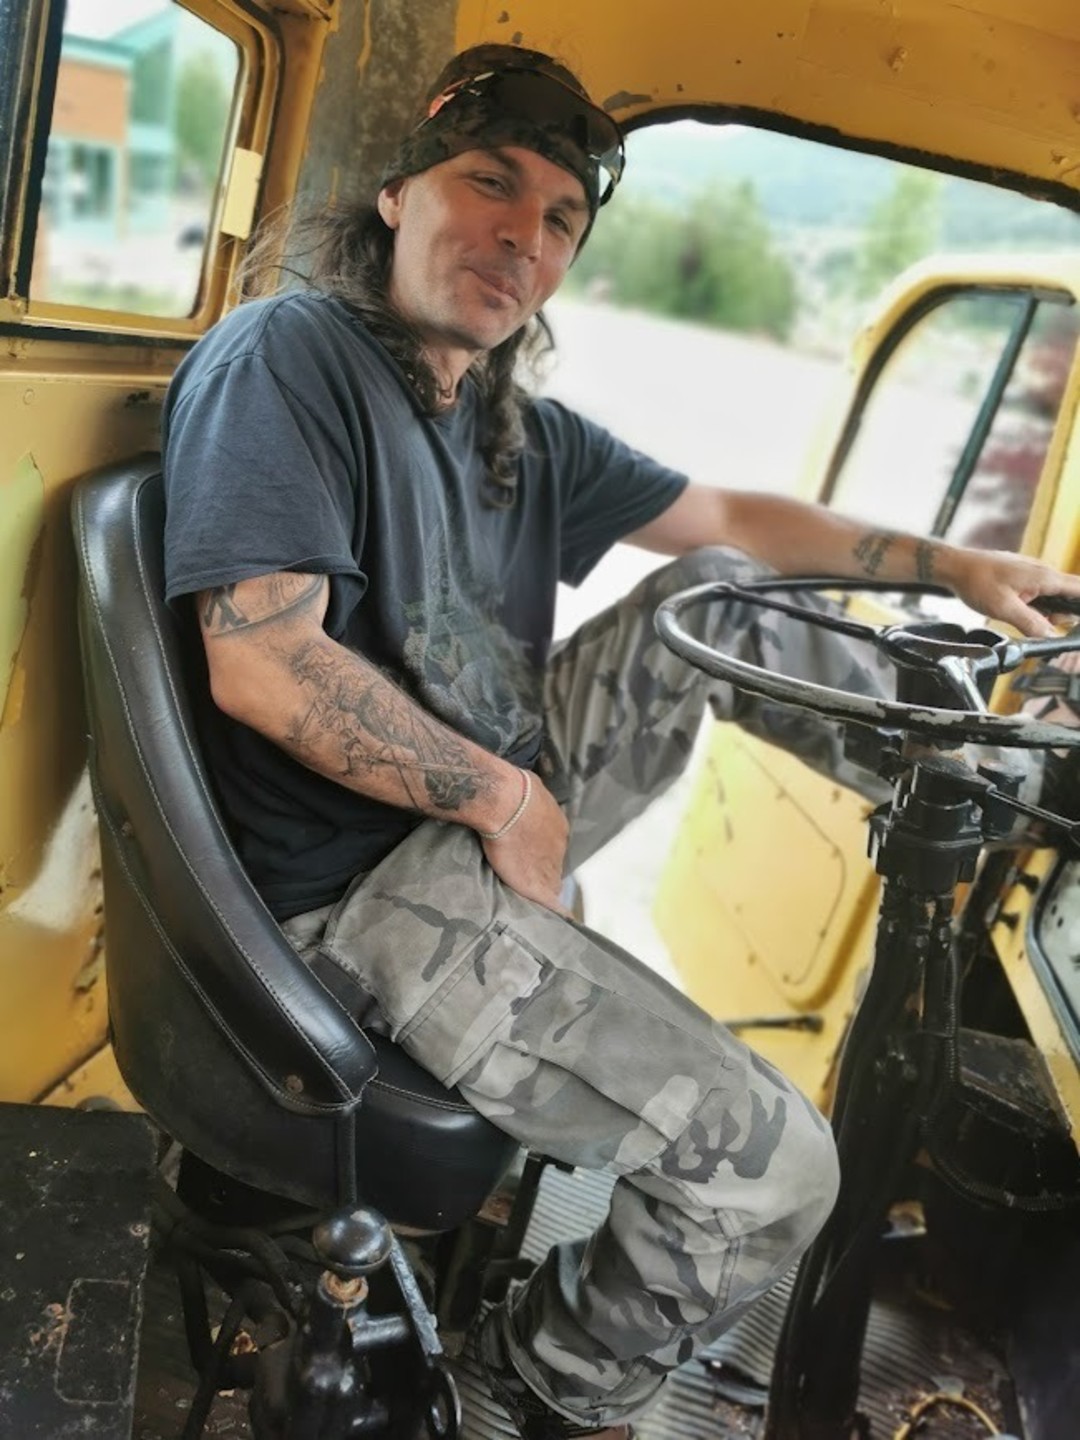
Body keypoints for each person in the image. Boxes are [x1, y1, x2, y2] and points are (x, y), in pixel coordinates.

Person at [161, 44, 1080, 1440]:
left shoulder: (502, 422)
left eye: (560, 218)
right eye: (490, 184)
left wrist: (955, 565)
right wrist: (505, 800)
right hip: (350, 891)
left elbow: (733, 520)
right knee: (775, 1177)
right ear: (400, 193)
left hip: (463, 811)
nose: (521, 237)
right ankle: (530, 1387)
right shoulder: (293, 357)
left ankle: (1005, 792)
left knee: (716, 593)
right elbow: (264, 662)